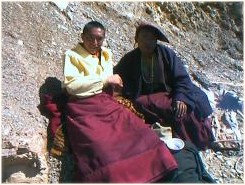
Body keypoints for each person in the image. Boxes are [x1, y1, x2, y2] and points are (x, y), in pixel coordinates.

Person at [62, 21, 178, 182]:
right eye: (90, 38)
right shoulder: (72, 55)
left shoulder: (106, 54)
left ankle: (156, 170)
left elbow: (113, 80)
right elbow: (72, 86)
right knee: (101, 147)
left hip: (106, 102)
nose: (95, 43)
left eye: (99, 39)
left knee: (140, 132)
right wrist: (106, 80)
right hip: (82, 104)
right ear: (82, 36)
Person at [114, 23, 214, 150]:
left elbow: (182, 77)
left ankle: (192, 141)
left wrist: (180, 97)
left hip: (171, 92)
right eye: (144, 37)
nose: (147, 42)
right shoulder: (130, 58)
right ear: (137, 39)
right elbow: (117, 74)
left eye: (151, 38)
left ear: (156, 41)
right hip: (147, 96)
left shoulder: (166, 54)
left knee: (182, 111)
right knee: (139, 103)